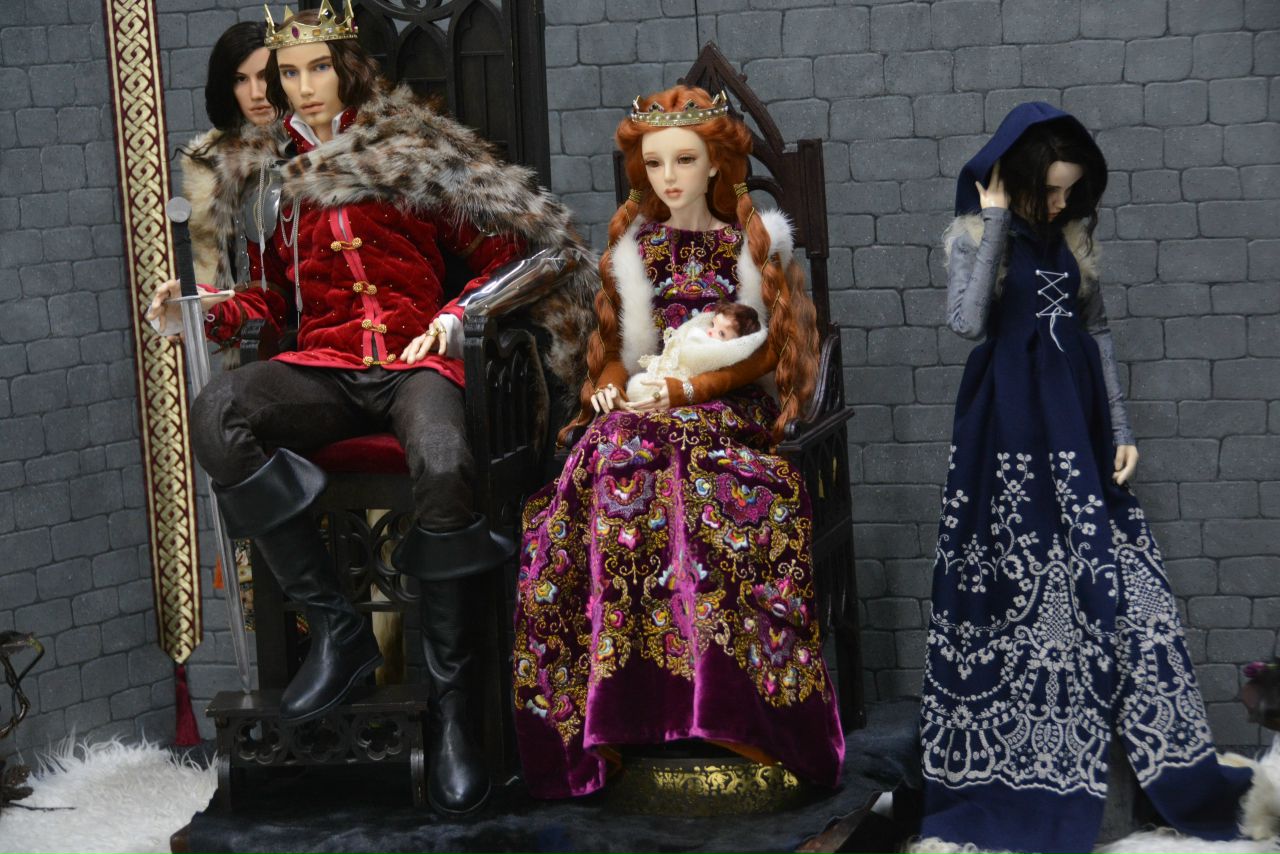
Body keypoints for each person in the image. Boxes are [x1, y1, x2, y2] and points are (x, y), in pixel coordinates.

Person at [160, 1, 595, 816]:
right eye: (289, 74)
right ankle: (339, 628)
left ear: (347, 68)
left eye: (318, 68)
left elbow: (524, 253)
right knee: (219, 410)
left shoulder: (409, 152)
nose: (304, 87)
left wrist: (458, 315)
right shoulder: (269, 178)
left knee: (443, 460)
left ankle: (455, 709)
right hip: (325, 367)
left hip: (413, 361)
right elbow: (267, 301)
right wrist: (202, 312)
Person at [918, 102, 1262, 853]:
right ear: (1016, 179)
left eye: (1071, 190)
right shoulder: (975, 235)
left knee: (1124, 584)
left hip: (1079, 424)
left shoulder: (1075, 239)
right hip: (1006, 429)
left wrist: (1124, 429)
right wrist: (998, 217)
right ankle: (1020, 762)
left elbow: (1096, 331)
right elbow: (968, 323)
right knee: (1017, 580)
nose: (1061, 203)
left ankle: (1146, 759)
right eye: (1049, 189)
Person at [512, 86, 845, 799]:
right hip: (642, 404)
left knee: (712, 494)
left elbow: (766, 349)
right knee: (614, 473)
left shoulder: (749, 246)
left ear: (715, 164)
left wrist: (690, 390)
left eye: (685, 160)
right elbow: (616, 348)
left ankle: (725, 710)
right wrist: (606, 387)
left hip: (724, 408)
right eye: (657, 162)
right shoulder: (635, 253)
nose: (669, 176)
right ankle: (634, 710)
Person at [146, 20, 288, 346]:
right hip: (249, 328)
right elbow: (212, 258)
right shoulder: (210, 163)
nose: (256, 94)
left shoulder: (310, 148)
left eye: (266, 76)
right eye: (240, 79)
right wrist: (201, 311)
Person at [624, 302, 765, 402]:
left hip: (685, 384)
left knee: (640, 388)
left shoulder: (720, 351)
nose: (710, 331)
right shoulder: (698, 330)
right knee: (638, 384)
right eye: (713, 324)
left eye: (721, 333)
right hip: (668, 373)